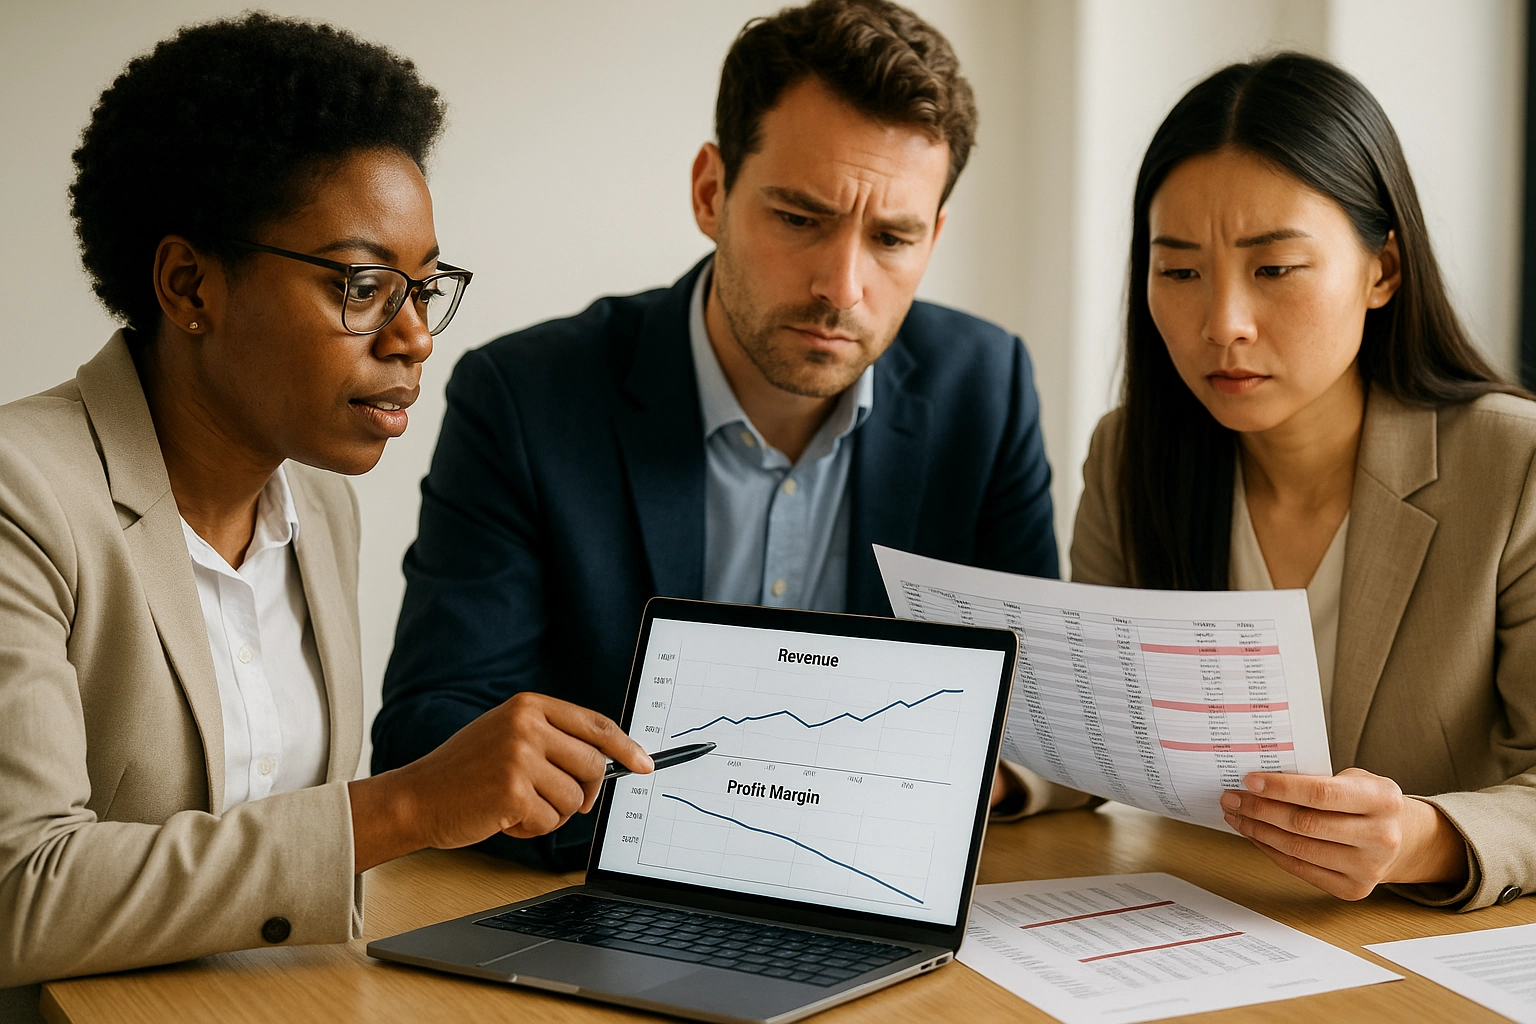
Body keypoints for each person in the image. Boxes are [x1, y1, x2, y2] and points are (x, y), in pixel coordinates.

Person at [0, 14, 652, 1007]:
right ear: (189, 285)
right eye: (360, 283)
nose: (413, 336)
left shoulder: (317, 505)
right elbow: (20, 894)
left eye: (425, 288)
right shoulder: (22, 494)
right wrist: (407, 805)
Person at [372, 0, 1060, 871]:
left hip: (881, 902)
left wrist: (998, 779)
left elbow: (1042, 715)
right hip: (598, 910)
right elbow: (428, 737)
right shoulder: (525, 398)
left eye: (892, 238)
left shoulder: (985, 389)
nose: (842, 286)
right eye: (800, 218)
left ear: (934, 239)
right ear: (711, 192)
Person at [1051, 52, 1536, 910]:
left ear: (1382, 270)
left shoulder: (1513, 464)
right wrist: (1018, 776)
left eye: (1273, 269)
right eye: (1180, 271)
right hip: (1201, 923)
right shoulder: (1130, 457)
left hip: (1423, 957)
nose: (1223, 324)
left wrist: (1423, 839)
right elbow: (1101, 737)